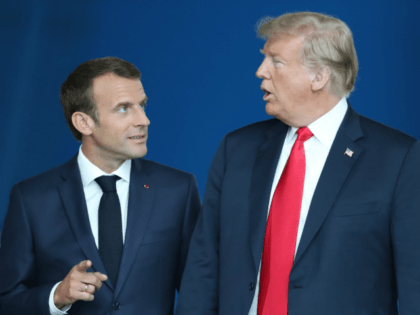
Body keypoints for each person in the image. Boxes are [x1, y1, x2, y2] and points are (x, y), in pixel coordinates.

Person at [176, 12, 420, 315]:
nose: (260, 71)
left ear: (319, 76)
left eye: (276, 61)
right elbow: (204, 263)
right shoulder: (237, 148)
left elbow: (414, 282)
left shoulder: (398, 157)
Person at [0, 57, 201, 315]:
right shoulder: (31, 198)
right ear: (84, 122)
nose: (143, 120)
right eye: (123, 108)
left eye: (142, 105)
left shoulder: (178, 190)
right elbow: (7, 300)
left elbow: (199, 290)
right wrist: (57, 296)